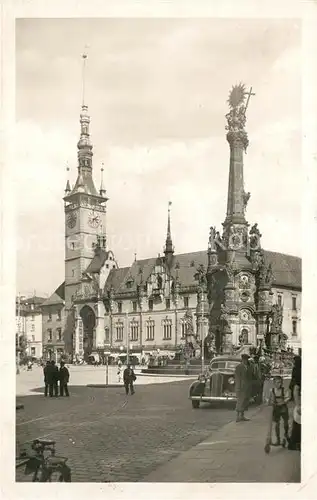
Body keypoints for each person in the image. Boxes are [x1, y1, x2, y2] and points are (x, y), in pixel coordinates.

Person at [268, 376, 290, 446]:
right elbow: (270, 399)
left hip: (283, 407)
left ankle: (286, 435)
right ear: (274, 383)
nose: (279, 384)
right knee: (276, 424)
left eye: (280, 382)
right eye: (277, 382)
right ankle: (278, 439)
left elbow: (287, 398)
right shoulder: (272, 390)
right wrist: (270, 402)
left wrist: (283, 402)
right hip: (276, 408)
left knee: (286, 423)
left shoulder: (285, 390)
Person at [235, 354, 253, 422]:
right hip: (241, 387)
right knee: (240, 401)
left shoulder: (248, 367)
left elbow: (250, 377)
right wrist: (238, 387)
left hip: (247, 387)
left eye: (246, 360)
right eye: (244, 360)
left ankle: (242, 416)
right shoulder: (239, 367)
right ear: (242, 360)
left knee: (245, 401)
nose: (245, 361)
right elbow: (237, 378)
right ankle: (237, 417)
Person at [288, 356, 301, 451]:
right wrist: (298, 404)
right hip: (300, 399)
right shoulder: (299, 371)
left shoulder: (296, 369)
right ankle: (294, 443)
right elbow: (296, 388)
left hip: (299, 399)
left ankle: (295, 443)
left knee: (298, 422)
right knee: (298, 422)